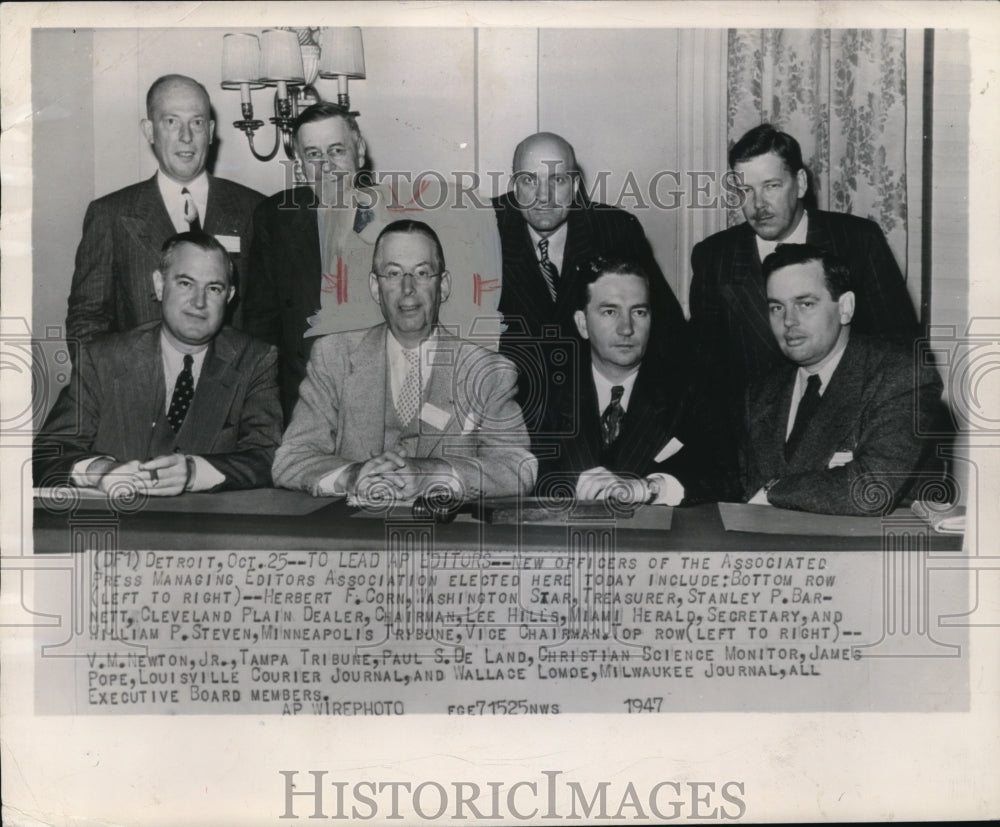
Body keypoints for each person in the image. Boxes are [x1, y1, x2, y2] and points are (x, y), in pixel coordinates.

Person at [245, 102, 502, 420]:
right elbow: (259, 332)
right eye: (313, 155)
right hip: (302, 410)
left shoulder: (404, 215)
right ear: (299, 165)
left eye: (337, 151)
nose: (327, 167)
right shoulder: (275, 219)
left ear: (360, 151)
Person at [272, 220, 535, 501]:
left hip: (447, 539)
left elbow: (518, 468)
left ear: (443, 285)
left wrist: (434, 475)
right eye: (393, 273)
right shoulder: (333, 356)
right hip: (352, 535)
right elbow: (290, 460)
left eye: (422, 272)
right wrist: (354, 475)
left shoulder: (486, 370)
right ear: (375, 287)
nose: (408, 288)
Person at [689, 123, 920, 429]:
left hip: (847, 428)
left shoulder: (858, 241)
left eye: (771, 186)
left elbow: (902, 349)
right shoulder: (714, 257)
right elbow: (703, 372)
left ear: (799, 184)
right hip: (749, 437)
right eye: (745, 190)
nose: (758, 204)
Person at [36, 232, 282, 495]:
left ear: (229, 296)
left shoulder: (255, 360)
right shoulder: (103, 358)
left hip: (208, 529)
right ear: (159, 284)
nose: (199, 302)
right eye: (186, 283)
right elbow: (47, 453)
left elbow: (267, 456)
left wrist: (194, 471)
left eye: (214, 288)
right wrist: (101, 471)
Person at [493, 132, 688, 432]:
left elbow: (666, 329)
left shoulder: (615, 230)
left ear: (574, 185)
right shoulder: (485, 227)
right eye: (529, 180)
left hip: (597, 417)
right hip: (512, 420)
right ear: (513, 185)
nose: (543, 196)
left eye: (557, 181)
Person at [742, 244, 945, 515]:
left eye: (805, 304)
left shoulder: (904, 376)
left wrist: (773, 491)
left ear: (846, 307)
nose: (789, 321)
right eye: (777, 307)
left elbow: (873, 490)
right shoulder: (762, 391)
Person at [66, 75, 263, 346]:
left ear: (210, 130)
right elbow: (86, 322)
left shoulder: (254, 210)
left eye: (197, 122)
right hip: (140, 384)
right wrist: (117, 385)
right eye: (171, 122)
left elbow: (267, 320)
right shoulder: (110, 215)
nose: (186, 137)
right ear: (149, 131)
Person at [537, 257, 736, 505]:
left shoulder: (692, 390)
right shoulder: (545, 393)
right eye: (610, 311)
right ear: (582, 324)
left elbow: (727, 478)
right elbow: (528, 475)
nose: (626, 328)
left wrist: (649, 488)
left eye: (639, 312)